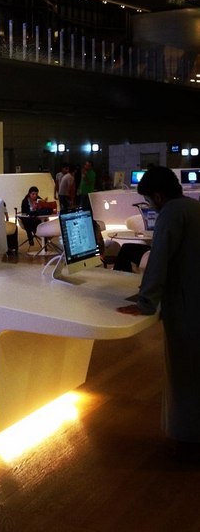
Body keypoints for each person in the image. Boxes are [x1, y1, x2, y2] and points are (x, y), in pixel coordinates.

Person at [117, 166, 200, 459]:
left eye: (149, 200)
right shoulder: (192, 207)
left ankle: (187, 440)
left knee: (184, 373)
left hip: (188, 307)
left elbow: (160, 260)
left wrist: (145, 303)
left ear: (158, 196)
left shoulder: (171, 214)